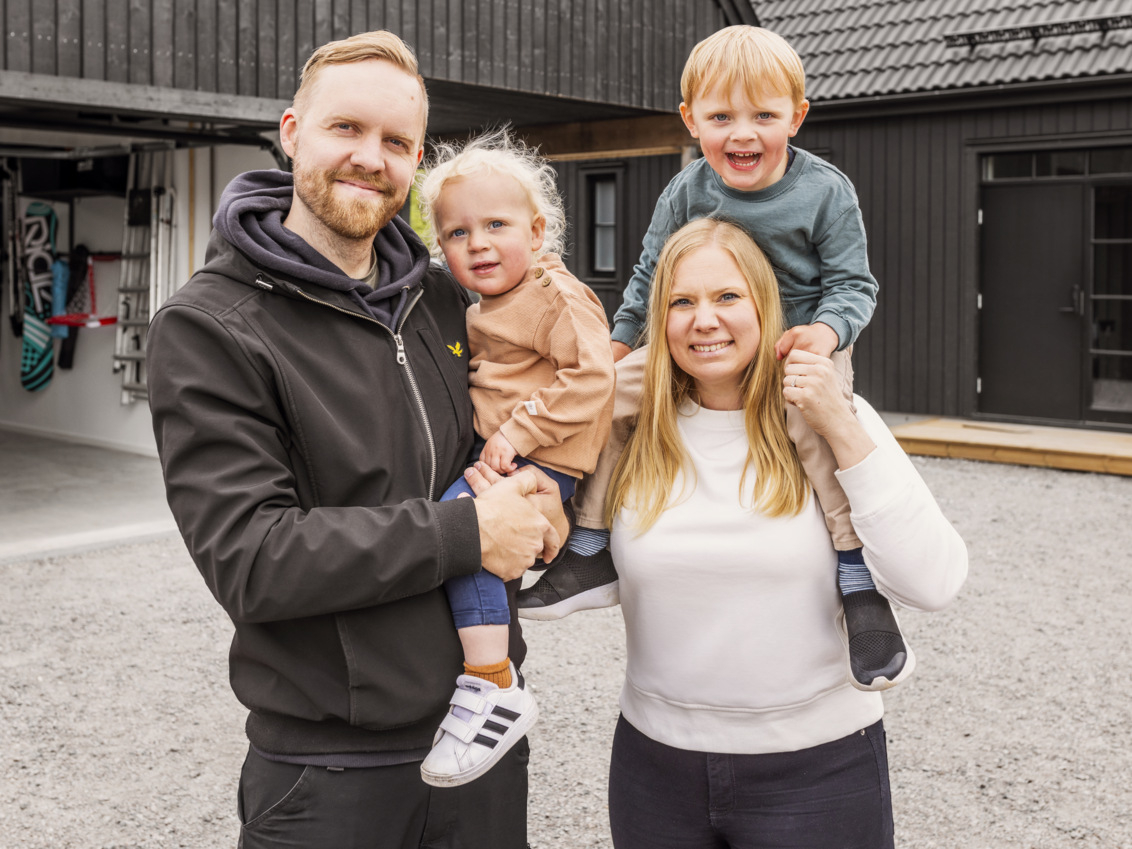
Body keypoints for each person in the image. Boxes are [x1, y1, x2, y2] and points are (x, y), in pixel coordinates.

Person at [146, 31, 567, 849]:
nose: (371, 158)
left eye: (397, 141)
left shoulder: (447, 300)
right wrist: (468, 531)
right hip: (329, 775)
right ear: (292, 131)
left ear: (416, 161)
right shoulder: (211, 327)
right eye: (346, 128)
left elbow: (512, 436)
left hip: (481, 742)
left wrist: (541, 497)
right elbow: (251, 558)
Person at [519, 25, 908, 693]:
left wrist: (825, 334)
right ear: (690, 119)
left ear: (797, 117)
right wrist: (616, 348)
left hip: (794, 343)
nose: (742, 134)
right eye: (721, 117)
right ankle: (589, 545)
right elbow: (648, 276)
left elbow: (854, 284)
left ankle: (856, 576)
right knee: (604, 397)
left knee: (820, 427)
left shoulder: (825, 192)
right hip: (701, 341)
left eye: (764, 116)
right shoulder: (686, 191)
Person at [600, 218, 967, 848]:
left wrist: (841, 426)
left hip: (819, 773)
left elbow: (933, 583)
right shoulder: (631, 429)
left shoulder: (828, 418)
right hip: (653, 770)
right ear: (658, 318)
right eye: (682, 302)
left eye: (727, 296)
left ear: (764, 306)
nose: (704, 320)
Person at [412, 130, 615, 787]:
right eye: (457, 233)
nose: (477, 243)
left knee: (464, 530)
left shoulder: (554, 294)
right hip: (505, 452)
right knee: (468, 541)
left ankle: (492, 684)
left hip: (540, 457)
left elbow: (594, 376)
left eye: (496, 225)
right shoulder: (487, 304)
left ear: (537, 231)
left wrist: (519, 432)